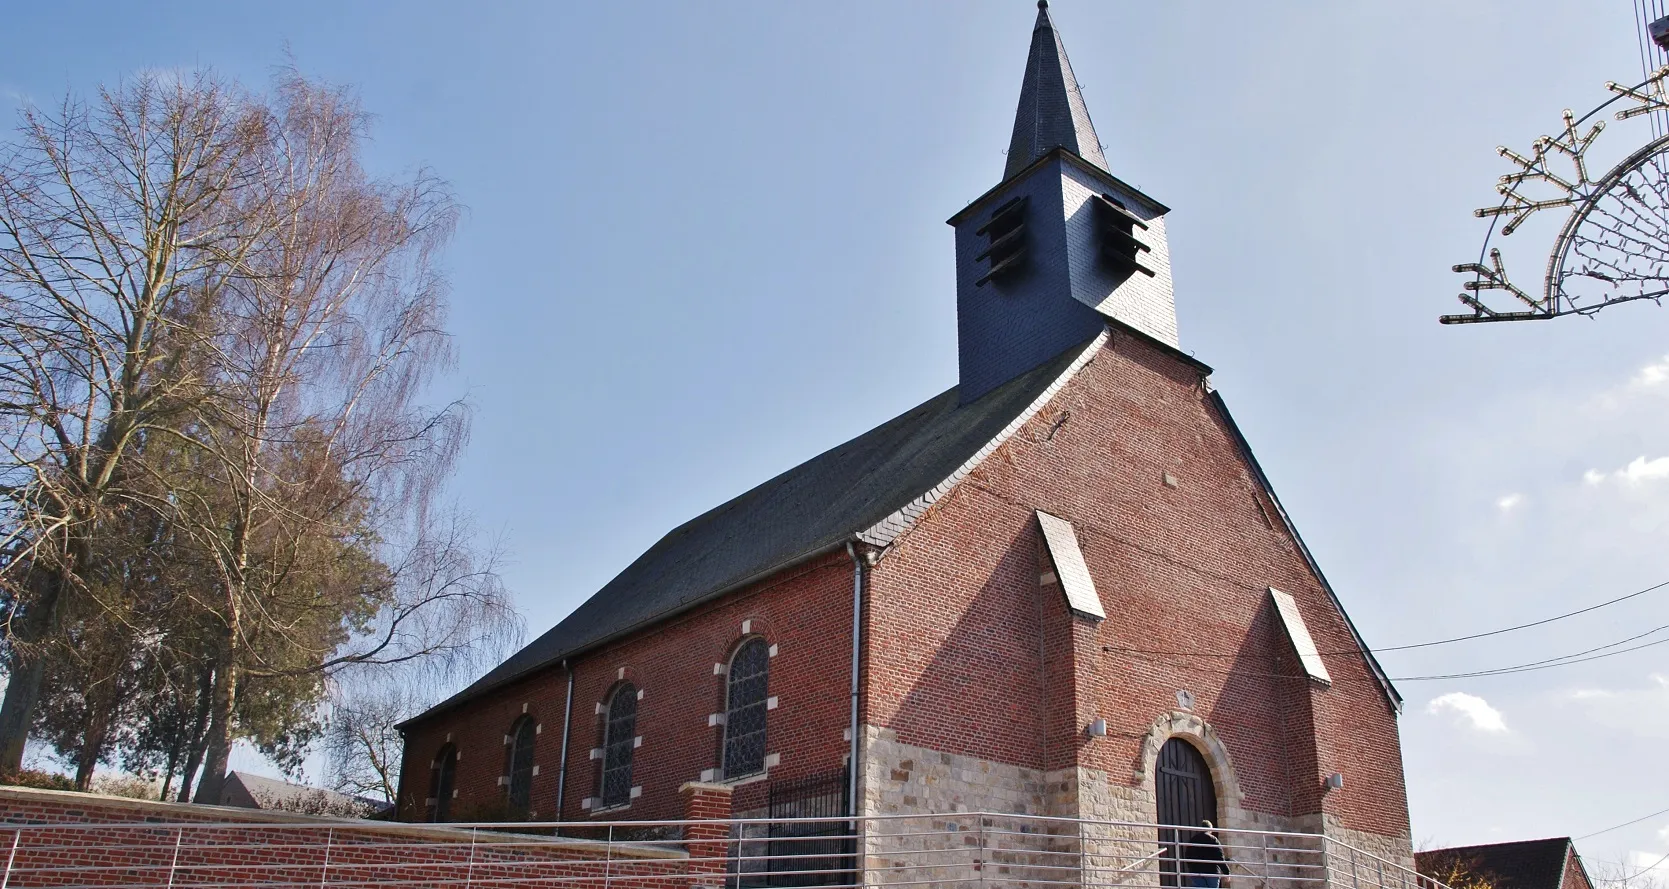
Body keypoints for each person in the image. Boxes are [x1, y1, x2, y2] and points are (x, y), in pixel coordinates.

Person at [1181, 820, 1229, 889]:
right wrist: (1226, 872)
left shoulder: (1193, 840)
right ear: (1210, 829)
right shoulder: (1214, 840)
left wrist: (1191, 868)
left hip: (1196, 871)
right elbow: (1220, 857)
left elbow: (1188, 856)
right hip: (1212, 872)